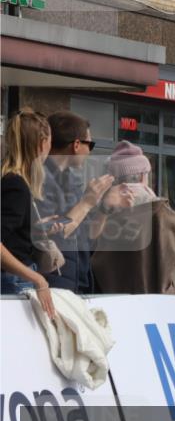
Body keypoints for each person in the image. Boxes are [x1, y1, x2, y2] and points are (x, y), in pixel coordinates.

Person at [90, 142, 175, 295]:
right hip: (161, 305)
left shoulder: (101, 217)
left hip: (116, 304)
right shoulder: (161, 212)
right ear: (143, 176)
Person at [36, 111, 121, 293]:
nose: (90, 151)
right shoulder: (40, 180)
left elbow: (89, 237)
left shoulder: (72, 182)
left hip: (78, 280)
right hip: (53, 284)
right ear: (76, 145)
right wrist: (87, 202)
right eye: (89, 144)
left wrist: (105, 207)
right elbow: (52, 234)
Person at [0, 109, 56, 319]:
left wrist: (35, 227)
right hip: (13, 281)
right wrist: (37, 279)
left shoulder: (12, 181)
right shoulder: (16, 185)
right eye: (50, 141)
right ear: (41, 143)